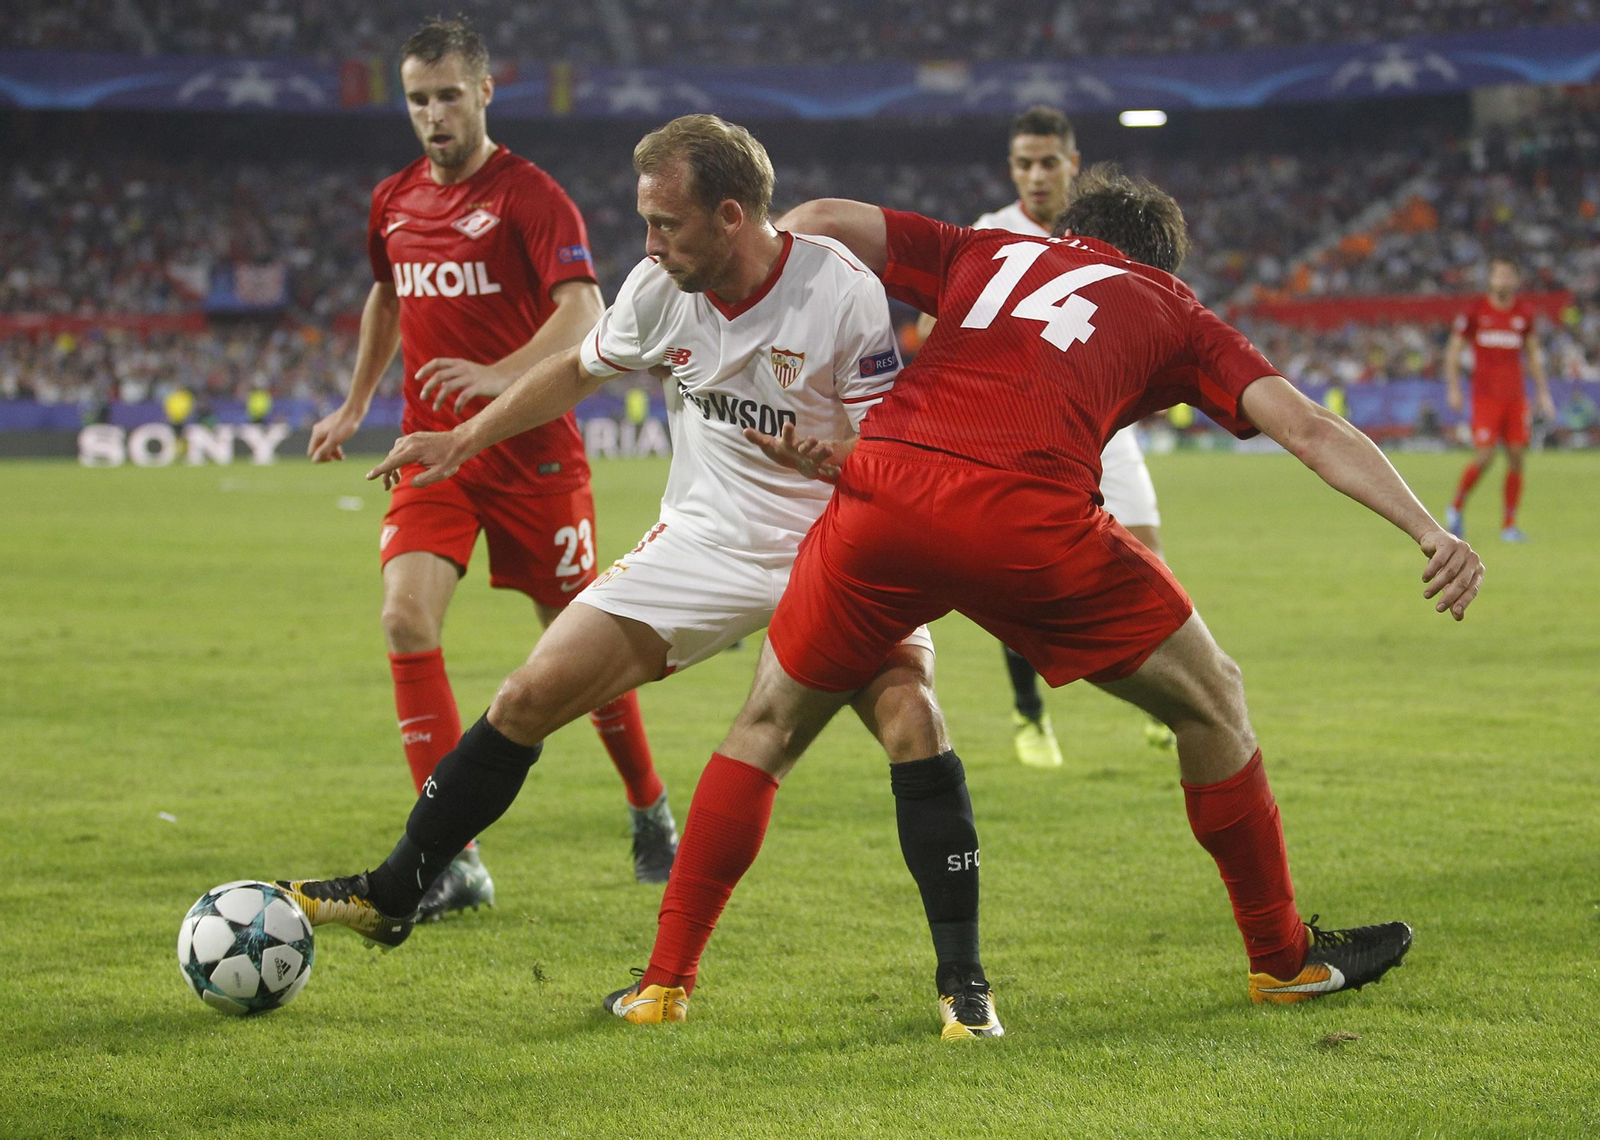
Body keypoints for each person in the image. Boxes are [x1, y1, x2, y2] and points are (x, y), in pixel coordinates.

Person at [601, 166, 1485, 1033]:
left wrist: (753, 292)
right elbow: (1310, 428)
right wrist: (1428, 530)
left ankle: (664, 985)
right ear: (1162, 265)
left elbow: (829, 214)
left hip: (883, 495)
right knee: (1214, 701)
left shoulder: (987, 251)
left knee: (767, 725)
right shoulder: (1175, 308)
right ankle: (1282, 958)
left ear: (1070, 232)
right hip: (1025, 522)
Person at [279, 114, 1003, 1039]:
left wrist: (836, 451)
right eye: (646, 223)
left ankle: (965, 985)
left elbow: (887, 443)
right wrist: (463, 438)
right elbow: (577, 371)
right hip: (700, 543)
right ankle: (395, 892)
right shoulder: (661, 288)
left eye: (668, 223)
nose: (650, 244)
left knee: (914, 720)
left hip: (833, 541)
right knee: (529, 693)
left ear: (733, 216)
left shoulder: (839, 291)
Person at [303, 17, 671, 913]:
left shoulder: (531, 198)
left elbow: (585, 310)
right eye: (418, 100)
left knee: (579, 653)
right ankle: (452, 859)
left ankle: (648, 804)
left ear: (484, 93)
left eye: (448, 97)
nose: (433, 115)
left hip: (534, 458)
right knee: (404, 619)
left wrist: (499, 379)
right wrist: (355, 403)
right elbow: (386, 296)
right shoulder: (394, 200)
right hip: (432, 456)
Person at [920, 105, 1171, 767]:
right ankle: (1031, 717)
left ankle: (1166, 699)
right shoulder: (989, 233)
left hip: (1102, 427)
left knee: (1148, 557)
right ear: (1012, 168)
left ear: (1073, 163)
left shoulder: (1106, 228)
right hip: (1022, 434)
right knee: (1020, 576)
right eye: (1024, 163)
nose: (1036, 175)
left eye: (1048, 162)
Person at [1443, 257, 1556, 542]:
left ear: (1515, 280)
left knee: (1517, 458)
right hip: (1485, 398)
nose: (1503, 280)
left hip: (1515, 398)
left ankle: (1508, 525)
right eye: (1498, 275)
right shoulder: (1476, 311)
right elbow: (1454, 350)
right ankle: (1455, 507)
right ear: (1490, 279)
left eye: (1508, 275)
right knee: (1485, 456)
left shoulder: (1523, 314)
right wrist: (1454, 388)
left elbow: (1532, 355)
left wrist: (1543, 392)